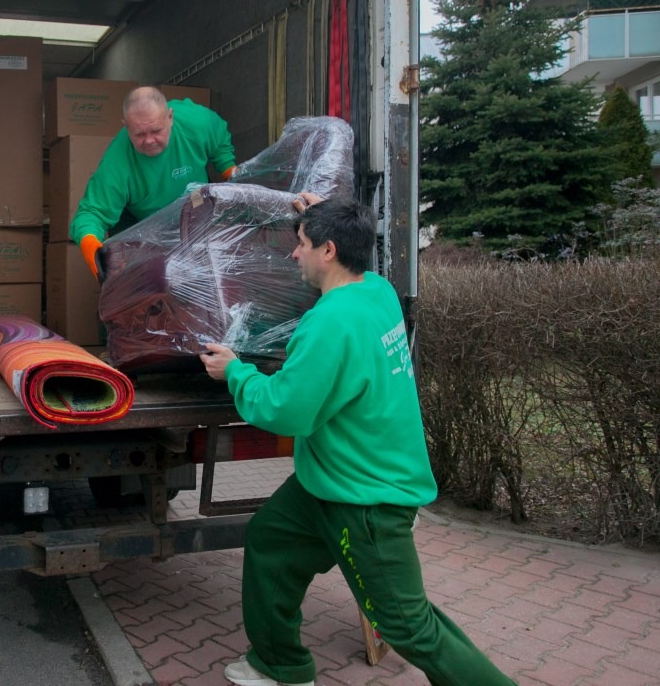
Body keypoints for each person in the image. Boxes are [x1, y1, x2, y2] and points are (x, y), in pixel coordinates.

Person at [199, 194, 515, 686]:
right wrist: (329, 212)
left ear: (327, 251)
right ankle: (280, 664)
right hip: (327, 480)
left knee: (409, 627)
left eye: (301, 244)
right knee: (270, 540)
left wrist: (234, 372)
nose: (293, 254)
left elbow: (287, 410)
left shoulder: (329, 323)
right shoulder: (378, 291)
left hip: (366, 498)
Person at [70, 86, 236, 279]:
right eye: (139, 134)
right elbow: (92, 212)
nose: (149, 141)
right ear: (126, 126)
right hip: (142, 227)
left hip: (194, 214)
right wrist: (90, 242)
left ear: (170, 117)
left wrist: (227, 166)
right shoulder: (117, 161)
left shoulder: (196, 122)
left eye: (156, 130)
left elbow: (218, 136)